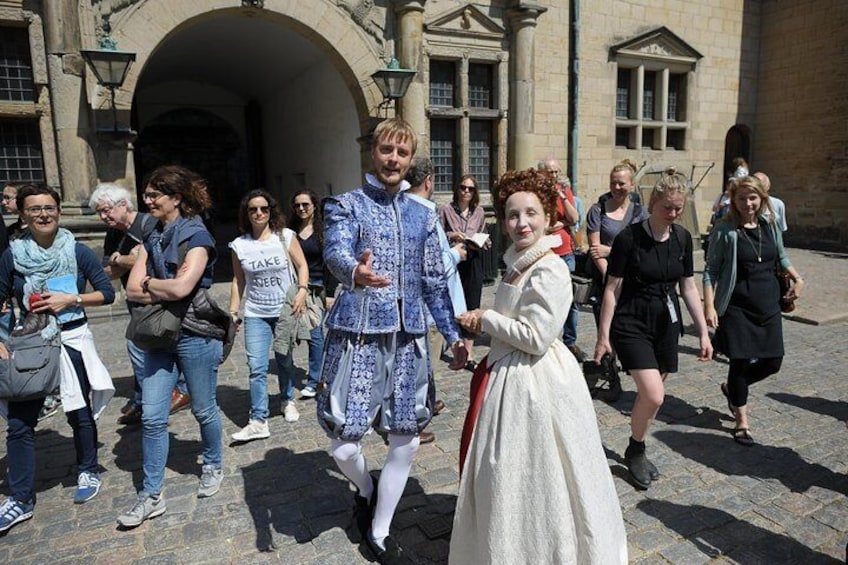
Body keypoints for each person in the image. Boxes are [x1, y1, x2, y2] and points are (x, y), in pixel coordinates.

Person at [450, 168, 627, 564]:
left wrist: (485, 319)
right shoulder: (517, 262)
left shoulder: (549, 267)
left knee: (544, 472)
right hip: (509, 374)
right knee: (508, 473)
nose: (521, 222)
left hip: (538, 379)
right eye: (512, 215)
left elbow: (536, 336)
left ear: (548, 217)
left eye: (530, 213)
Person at [317, 118, 466, 562]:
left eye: (402, 153)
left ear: (410, 160)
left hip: (409, 339)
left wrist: (453, 335)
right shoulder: (345, 205)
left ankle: (380, 531)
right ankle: (366, 488)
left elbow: (436, 280)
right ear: (373, 151)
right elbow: (335, 251)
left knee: (408, 439)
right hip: (359, 334)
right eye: (387, 150)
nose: (393, 160)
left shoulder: (424, 213)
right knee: (344, 441)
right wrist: (354, 272)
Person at [0, 183, 115, 533]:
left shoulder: (78, 251)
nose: (43, 214)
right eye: (34, 209)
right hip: (32, 344)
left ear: (58, 211)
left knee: (79, 413)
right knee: (20, 423)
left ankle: (88, 468)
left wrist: (72, 300)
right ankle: (20, 499)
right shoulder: (12, 256)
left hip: (73, 339)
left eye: (49, 207)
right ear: (22, 215)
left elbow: (107, 293)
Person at [118, 165, 226, 527]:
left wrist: (151, 284)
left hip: (195, 334)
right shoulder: (152, 235)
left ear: (176, 199)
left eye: (154, 196)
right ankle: (151, 495)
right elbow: (131, 290)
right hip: (158, 337)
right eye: (146, 195)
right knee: (151, 416)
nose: (147, 201)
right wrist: (156, 284)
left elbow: (182, 289)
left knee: (203, 409)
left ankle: (212, 463)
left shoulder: (197, 236)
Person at [594, 168, 712, 490]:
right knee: (655, 395)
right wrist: (603, 336)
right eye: (667, 208)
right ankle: (637, 449)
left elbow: (688, 287)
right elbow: (611, 289)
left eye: (678, 208)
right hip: (631, 320)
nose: (673, 214)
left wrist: (702, 331)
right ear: (652, 203)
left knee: (650, 398)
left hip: (666, 322)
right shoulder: (628, 239)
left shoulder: (683, 239)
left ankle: (636, 446)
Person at [703, 175, 804, 445]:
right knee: (739, 361)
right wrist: (710, 306)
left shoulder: (768, 225)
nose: (747, 203)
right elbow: (710, 270)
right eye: (742, 198)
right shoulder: (725, 230)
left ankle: (734, 389)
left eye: (753, 198)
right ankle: (742, 421)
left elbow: (781, 256)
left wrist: (798, 278)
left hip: (768, 305)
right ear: (733, 201)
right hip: (737, 307)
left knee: (773, 362)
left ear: (762, 199)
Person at [90, 183, 189, 427]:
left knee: (154, 345)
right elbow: (107, 271)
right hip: (137, 300)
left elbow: (144, 258)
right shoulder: (113, 232)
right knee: (143, 346)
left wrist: (121, 259)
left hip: (157, 296)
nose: (103, 217)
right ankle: (146, 398)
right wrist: (125, 261)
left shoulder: (148, 223)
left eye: (106, 210)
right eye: (99, 213)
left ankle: (170, 394)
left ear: (123, 205)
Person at [228, 189, 310, 442]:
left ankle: (287, 400)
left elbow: (302, 265)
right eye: (253, 209)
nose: (259, 213)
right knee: (257, 367)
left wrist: (303, 291)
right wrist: (233, 311)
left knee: (285, 360)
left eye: (263, 208)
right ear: (246, 213)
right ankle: (258, 419)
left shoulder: (285, 236)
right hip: (256, 313)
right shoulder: (239, 245)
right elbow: (238, 280)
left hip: (284, 310)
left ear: (271, 211)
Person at [405, 156, 468, 444]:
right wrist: (455, 253)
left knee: (426, 361)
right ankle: (416, 419)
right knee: (419, 362)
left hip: (424, 304)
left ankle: (428, 403)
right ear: (429, 181)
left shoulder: (406, 208)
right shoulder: (425, 211)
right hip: (426, 304)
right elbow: (432, 266)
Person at [585, 159, 650, 399]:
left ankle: (636, 367)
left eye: (622, 183)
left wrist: (610, 251)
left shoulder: (641, 213)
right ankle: (611, 375)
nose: (617, 187)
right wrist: (609, 276)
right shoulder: (597, 210)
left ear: (632, 185)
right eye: (613, 182)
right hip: (606, 282)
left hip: (633, 281)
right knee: (607, 330)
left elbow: (642, 249)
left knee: (629, 329)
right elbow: (594, 249)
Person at [289, 189, 336, 399]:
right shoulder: (289, 232)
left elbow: (332, 264)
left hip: (318, 287)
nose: (301, 208)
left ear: (314, 206)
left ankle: (315, 380)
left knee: (315, 334)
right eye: (297, 205)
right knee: (297, 334)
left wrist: (330, 293)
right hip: (297, 287)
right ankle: (323, 376)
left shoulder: (324, 231)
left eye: (305, 205)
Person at [439, 174, 488, 370]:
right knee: (453, 305)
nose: (466, 191)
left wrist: (481, 242)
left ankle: (468, 354)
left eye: (471, 188)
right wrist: (453, 235)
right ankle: (455, 348)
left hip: (473, 260)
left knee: (472, 304)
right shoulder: (446, 210)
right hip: (455, 261)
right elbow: (439, 235)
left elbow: (485, 235)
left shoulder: (480, 212)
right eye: (463, 187)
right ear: (457, 189)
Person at [537, 158, 583, 361]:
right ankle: (546, 340)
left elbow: (574, 219)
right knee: (546, 298)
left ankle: (570, 341)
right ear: (541, 173)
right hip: (545, 253)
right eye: (550, 172)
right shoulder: (536, 193)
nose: (554, 176)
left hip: (566, 252)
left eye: (556, 172)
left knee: (571, 299)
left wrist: (563, 198)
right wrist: (549, 227)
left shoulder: (563, 191)